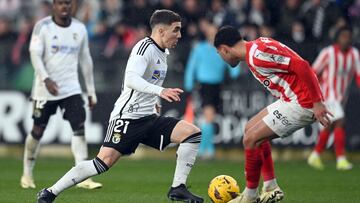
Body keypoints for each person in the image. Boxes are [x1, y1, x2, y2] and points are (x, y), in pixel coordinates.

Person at [37, 9, 204, 203]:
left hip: (148, 117)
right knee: (102, 163)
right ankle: (50, 192)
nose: (179, 35)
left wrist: (155, 102)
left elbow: (149, 82)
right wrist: (160, 92)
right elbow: (132, 79)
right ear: (160, 31)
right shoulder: (144, 48)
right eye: (175, 30)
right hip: (128, 118)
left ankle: (178, 187)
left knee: (192, 133)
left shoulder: (162, 52)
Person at [213, 26, 332, 203]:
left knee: (250, 139)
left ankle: (250, 196)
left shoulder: (257, 56)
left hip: (302, 103)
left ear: (224, 49)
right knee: (249, 129)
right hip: (291, 98)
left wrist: (317, 102)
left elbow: (302, 66)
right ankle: (270, 187)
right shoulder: (258, 45)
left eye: (219, 54)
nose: (221, 58)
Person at [21, 0, 102, 190]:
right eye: (60, 3)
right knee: (37, 131)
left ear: (72, 6)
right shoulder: (43, 27)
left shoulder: (80, 28)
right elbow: (35, 54)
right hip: (44, 89)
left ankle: (84, 178)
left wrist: (90, 91)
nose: (64, 7)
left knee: (79, 128)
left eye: (68, 3)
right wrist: (46, 79)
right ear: (53, 7)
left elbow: (85, 59)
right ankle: (27, 173)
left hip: (71, 89)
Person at [184, 17, 240, 159]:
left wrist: (235, 72)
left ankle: (206, 148)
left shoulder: (221, 49)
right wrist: (189, 83)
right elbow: (192, 66)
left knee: (211, 116)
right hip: (205, 85)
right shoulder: (200, 48)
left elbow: (232, 63)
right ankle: (206, 149)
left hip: (217, 85)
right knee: (209, 116)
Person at [307, 26, 360, 170]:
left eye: (348, 37)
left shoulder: (354, 54)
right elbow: (312, 72)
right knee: (340, 122)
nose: (346, 39)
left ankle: (315, 155)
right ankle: (341, 159)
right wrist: (314, 94)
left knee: (329, 127)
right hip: (327, 95)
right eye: (343, 36)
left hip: (342, 97)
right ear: (337, 38)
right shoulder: (328, 53)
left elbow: (359, 75)